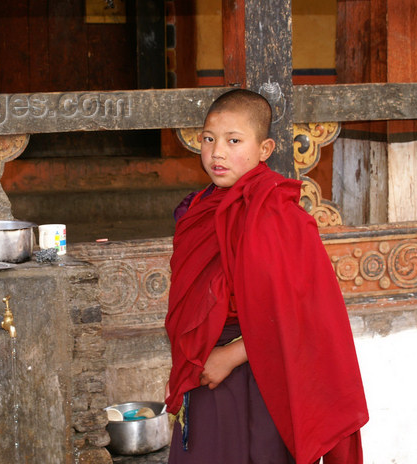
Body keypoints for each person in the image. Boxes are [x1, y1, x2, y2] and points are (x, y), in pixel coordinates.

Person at [165, 89, 368, 464]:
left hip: (265, 369)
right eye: (208, 139)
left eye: (234, 140)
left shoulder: (278, 215)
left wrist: (230, 356)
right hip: (204, 364)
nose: (217, 153)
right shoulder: (196, 209)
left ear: (265, 148)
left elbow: (304, 314)